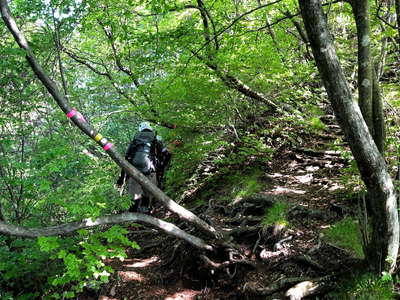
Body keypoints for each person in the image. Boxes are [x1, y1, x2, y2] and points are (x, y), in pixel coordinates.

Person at [116, 122, 161, 213]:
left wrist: (121, 179)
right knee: (148, 194)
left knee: (134, 197)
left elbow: (127, 158)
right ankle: (146, 213)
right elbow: (161, 156)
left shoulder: (135, 140)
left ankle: (133, 220)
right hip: (150, 170)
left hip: (134, 171)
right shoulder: (156, 140)